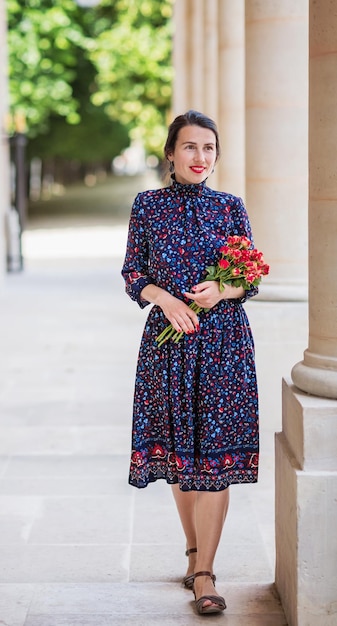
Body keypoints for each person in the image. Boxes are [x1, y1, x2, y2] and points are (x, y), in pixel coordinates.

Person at [121, 110, 260, 616]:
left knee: (215, 462)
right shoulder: (148, 206)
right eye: (190, 147)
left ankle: (205, 574)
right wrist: (166, 299)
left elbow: (250, 279)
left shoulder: (231, 208)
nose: (200, 157)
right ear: (171, 153)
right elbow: (133, 272)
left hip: (223, 346)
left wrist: (219, 291)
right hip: (168, 347)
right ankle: (193, 552)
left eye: (209, 148)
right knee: (182, 459)